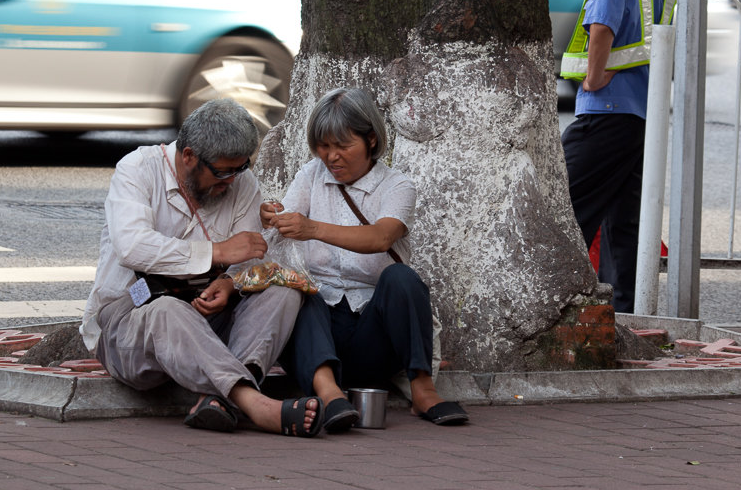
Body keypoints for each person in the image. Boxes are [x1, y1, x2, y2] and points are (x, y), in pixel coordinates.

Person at [81, 98, 320, 437]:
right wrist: (217, 251)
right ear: (189, 156)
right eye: (222, 172)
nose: (232, 181)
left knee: (283, 292)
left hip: (207, 321)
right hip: (130, 321)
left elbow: (251, 256)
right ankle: (253, 403)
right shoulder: (137, 169)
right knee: (167, 309)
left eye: (241, 168)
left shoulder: (241, 181)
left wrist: (229, 282)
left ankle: (218, 399)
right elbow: (131, 246)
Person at [262, 88, 470, 431]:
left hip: (371, 335)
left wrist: (312, 228)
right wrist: (270, 215)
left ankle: (423, 389)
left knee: (401, 278)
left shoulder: (397, 186)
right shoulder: (310, 175)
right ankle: (330, 396)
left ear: (371, 140)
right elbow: (285, 219)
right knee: (302, 291)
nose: (332, 157)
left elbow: (381, 237)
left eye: (343, 146)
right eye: (324, 147)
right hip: (318, 339)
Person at [559, 0, 675, 313]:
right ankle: (622, 314)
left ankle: (557, 311)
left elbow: (602, 21)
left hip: (606, 110)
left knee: (564, 212)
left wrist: (592, 76)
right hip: (643, 110)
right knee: (624, 223)